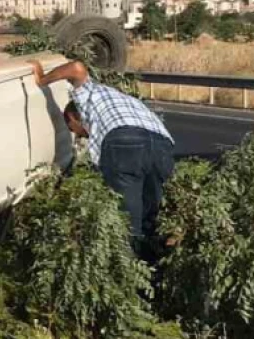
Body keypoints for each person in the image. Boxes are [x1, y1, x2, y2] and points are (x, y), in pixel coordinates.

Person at [33, 59, 174, 258]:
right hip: (162, 146)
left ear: (73, 118)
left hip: (125, 143)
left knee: (128, 221)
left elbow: (76, 68)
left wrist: (42, 80)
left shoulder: (88, 95)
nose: (82, 137)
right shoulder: (122, 98)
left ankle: (130, 273)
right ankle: (155, 265)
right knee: (149, 216)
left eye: (75, 131)